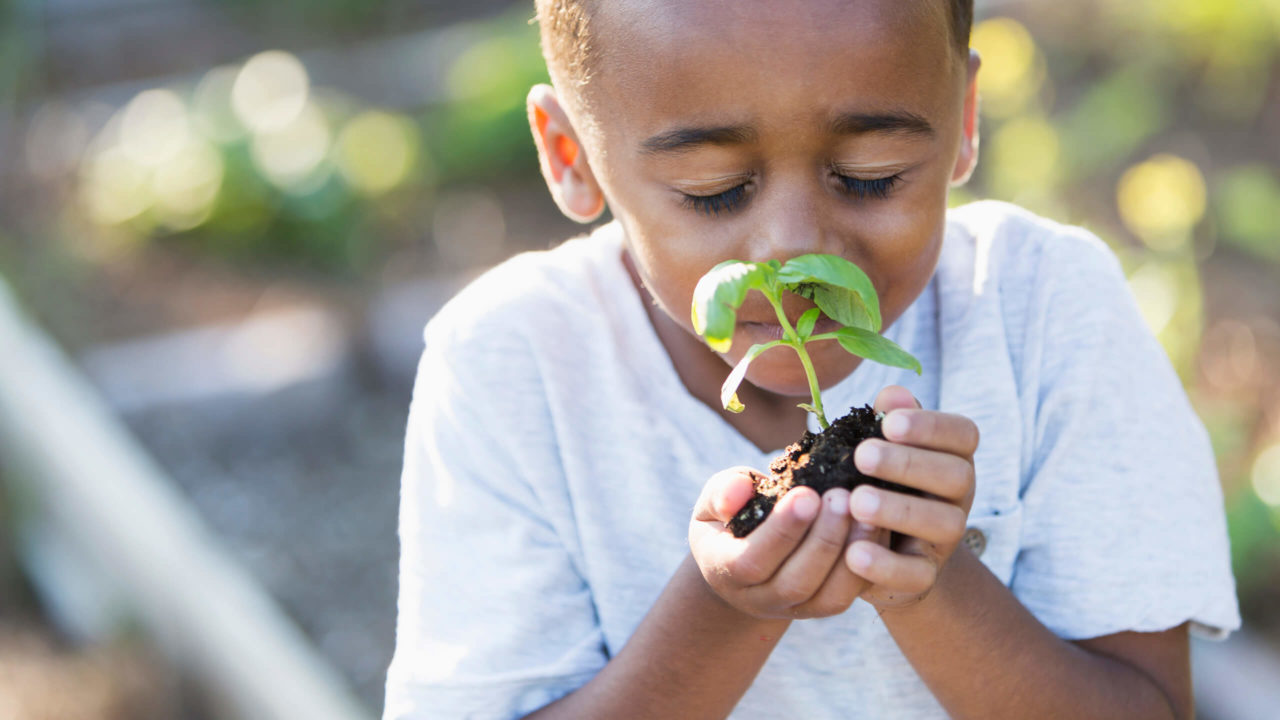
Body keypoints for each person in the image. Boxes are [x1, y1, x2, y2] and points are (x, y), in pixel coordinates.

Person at [383, 1, 1240, 717]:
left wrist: (931, 588)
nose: (794, 250)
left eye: (872, 175)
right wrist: (725, 611)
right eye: (713, 191)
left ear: (964, 122)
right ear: (572, 156)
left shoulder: (1045, 308)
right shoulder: (510, 363)